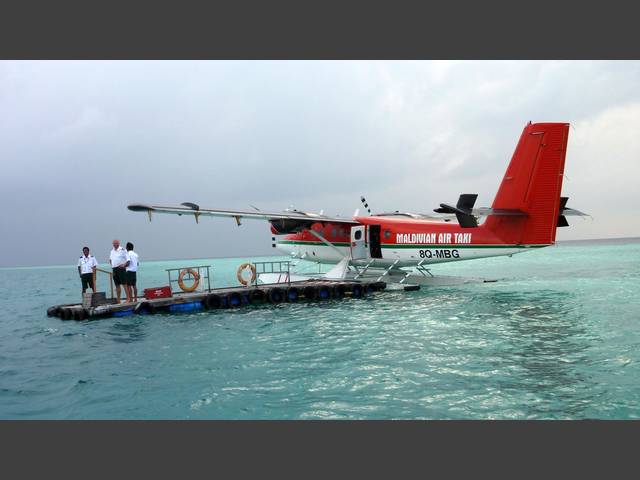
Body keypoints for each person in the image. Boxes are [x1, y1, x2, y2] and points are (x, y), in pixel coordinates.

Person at [109, 239, 128, 304]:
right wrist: (112, 265)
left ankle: (128, 298)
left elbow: (128, 259)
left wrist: (124, 265)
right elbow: (110, 259)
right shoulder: (112, 251)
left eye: (116, 243)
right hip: (114, 269)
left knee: (124, 284)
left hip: (121, 269)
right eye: (114, 243)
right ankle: (118, 300)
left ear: (118, 243)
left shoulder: (122, 250)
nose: (115, 244)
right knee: (117, 285)